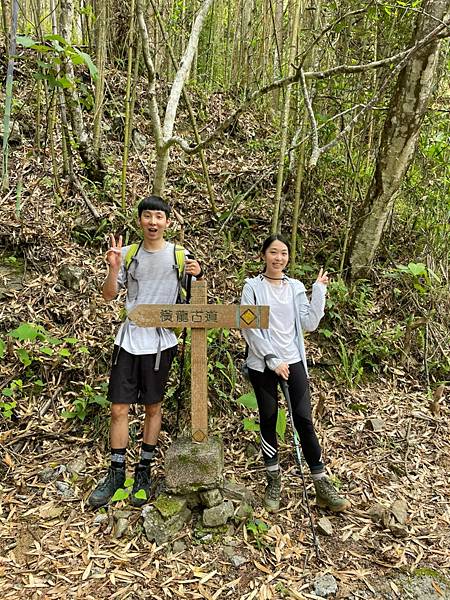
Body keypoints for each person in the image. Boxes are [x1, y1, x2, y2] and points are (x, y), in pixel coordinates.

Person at [88, 195, 203, 508]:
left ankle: (144, 471)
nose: (153, 222)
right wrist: (113, 268)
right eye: (148, 216)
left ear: (167, 222)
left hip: (161, 342)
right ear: (140, 220)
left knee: (153, 407)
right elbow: (109, 295)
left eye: (159, 217)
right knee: (118, 408)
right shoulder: (127, 254)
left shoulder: (179, 255)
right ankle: (116, 473)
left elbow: (194, 298)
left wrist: (198, 273)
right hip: (129, 339)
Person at [241, 234, 350, 513]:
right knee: (268, 417)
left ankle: (321, 482)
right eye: (274, 252)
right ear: (263, 255)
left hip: (294, 361)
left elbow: (309, 323)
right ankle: (273, 479)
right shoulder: (252, 287)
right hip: (262, 363)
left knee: (303, 419)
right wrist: (271, 358)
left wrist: (319, 291)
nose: (279, 258)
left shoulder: (296, 287)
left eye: (284, 253)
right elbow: (248, 327)